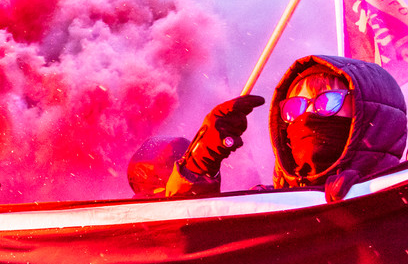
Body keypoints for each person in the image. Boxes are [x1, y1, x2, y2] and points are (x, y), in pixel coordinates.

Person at [165, 55, 407, 201]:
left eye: (328, 101)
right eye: (296, 107)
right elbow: (181, 239)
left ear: (367, 115)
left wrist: (369, 201)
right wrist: (200, 162)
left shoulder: (396, 207)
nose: (307, 115)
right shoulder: (263, 205)